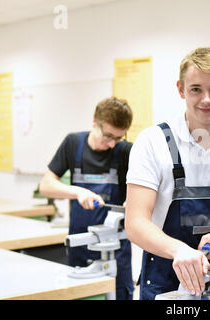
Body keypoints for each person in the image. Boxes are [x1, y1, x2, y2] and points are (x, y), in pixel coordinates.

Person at [125, 47, 210, 300]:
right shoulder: (153, 142)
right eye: (196, 89)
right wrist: (179, 251)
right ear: (181, 89)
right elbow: (135, 223)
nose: (206, 99)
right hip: (164, 281)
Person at [39, 97, 135, 300]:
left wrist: (135, 202)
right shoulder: (73, 143)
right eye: (108, 136)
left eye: (118, 138)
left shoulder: (125, 151)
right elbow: (46, 185)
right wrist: (77, 192)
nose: (111, 144)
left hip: (115, 252)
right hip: (79, 246)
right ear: (94, 121)